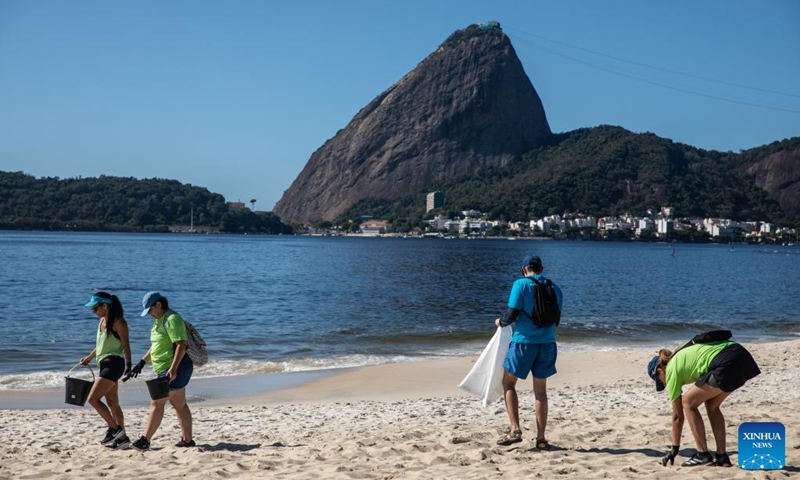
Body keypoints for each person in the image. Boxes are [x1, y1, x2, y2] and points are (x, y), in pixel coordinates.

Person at [647, 338, 760, 467]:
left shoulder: (671, 370)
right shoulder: (680, 356)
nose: (664, 384)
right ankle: (721, 456)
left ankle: (702, 455)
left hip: (727, 360)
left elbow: (678, 417)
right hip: (741, 356)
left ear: (660, 371)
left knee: (688, 402)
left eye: (660, 381)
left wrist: (674, 449)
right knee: (712, 405)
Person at [494, 254, 563, 450]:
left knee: (508, 383)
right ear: (542, 269)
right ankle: (541, 438)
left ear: (524, 269)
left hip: (524, 343)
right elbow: (556, 319)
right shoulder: (555, 288)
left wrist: (500, 322)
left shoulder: (520, 284)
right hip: (548, 344)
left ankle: (515, 429)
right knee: (540, 391)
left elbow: (511, 314)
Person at [126, 291, 195, 450]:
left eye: (150, 310)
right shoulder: (159, 321)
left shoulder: (172, 319)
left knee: (157, 402)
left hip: (174, 368)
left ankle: (145, 440)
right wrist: (142, 362)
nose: (149, 314)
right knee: (179, 404)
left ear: (158, 304)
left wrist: (173, 369)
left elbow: (181, 345)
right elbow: (156, 345)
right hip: (167, 368)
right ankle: (187, 441)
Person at [80, 292, 133, 449]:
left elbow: (126, 344)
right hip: (104, 364)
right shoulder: (101, 321)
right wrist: (88, 358)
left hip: (114, 364)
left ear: (105, 305)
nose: (93, 311)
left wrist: (129, 365)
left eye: (95, 308)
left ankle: (115, 429)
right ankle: (122, 439)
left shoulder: (118, 322)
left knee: (92, 399)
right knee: (112, 402)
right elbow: (101, 346)